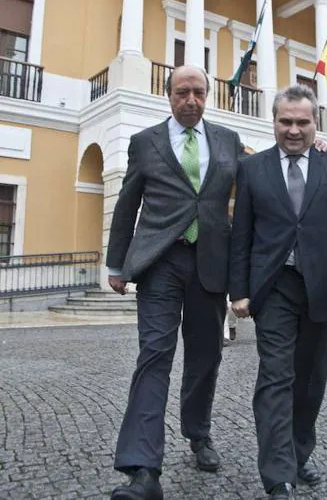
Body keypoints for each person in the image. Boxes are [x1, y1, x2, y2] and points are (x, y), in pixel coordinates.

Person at [229, 84, 327, 499]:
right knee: (275, 376)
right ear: (273, 122)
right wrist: (238, 290)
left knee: (311, 380)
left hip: (325, 288)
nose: (293, 130)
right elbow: (240, 233)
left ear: (316, 123)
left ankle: (298, 451)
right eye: (285, 121)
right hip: (273, 287)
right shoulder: (252, 169)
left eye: (302, 122)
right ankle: (278, 475)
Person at [106, 65, 245, 500]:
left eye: (199, 92)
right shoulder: (144, 142)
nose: (191, 99)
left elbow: (258, 184)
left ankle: (198, 433)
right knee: (154, 355)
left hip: (211, 263)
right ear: (168, 96)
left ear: (208, 96)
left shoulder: (228, 141)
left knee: (205, 357)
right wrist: (116, 264)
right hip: (160, 261)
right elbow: (127, 204)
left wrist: (310, 147)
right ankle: (143, 469)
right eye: (182, 92)